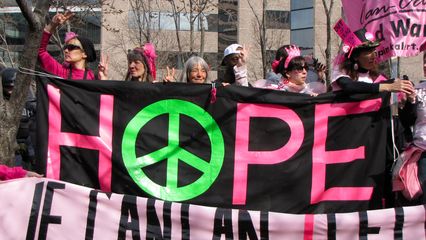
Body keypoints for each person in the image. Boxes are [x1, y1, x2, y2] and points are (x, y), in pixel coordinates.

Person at [331, 29, 414, 94]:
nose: (373, 55)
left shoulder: (376, 77)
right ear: (356, 56)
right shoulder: (341, 71)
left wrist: (400, 84)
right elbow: (349, 86)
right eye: (368, 52)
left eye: (374, 51)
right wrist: (387, 87)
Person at [39, 11, 108, 80]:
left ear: (84, 54)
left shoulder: (92, 78)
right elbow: (39, 50)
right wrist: (52, 25)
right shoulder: (61, 71)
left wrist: (103, 80)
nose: (66, 50)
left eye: (71, 47)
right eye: (65, 47)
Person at [1, 68, 37, 169]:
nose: (10, 90)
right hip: (10, 150)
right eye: (7, 87)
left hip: (30, 149)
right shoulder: (2, 104)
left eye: (13, 87)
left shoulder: (31, 102)